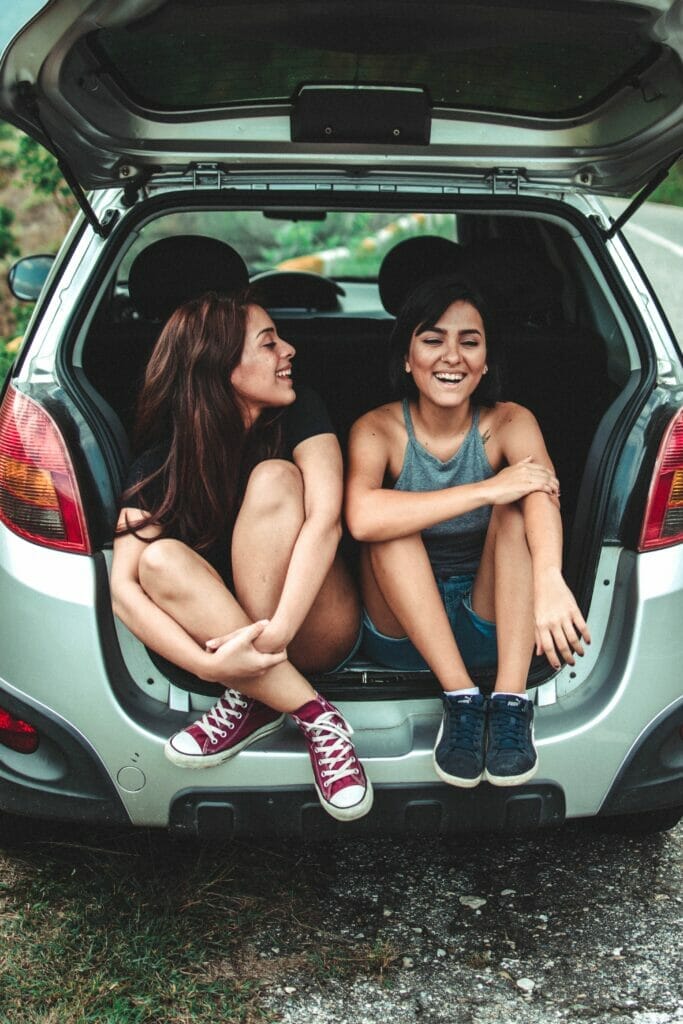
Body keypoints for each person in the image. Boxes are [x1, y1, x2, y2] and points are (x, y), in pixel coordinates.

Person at [110, 290, 373, 822]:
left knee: (275, 477)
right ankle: (312, 714)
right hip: (233, 649)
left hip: (316, 624)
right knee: (155, 561)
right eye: (269, 343)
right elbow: (123, 590)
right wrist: (212, 665)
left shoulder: (302, 415)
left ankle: (254, 696)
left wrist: (272, 637)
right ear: (222, 367)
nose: (289, 351)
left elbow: (327, 521)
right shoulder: (162, 461)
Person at [345, 276, 590, 789]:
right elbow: (362, 518)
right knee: (392, 524)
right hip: (403, 631)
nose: (451, 356)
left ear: (485, 363)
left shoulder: (511, 420)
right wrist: (486, 489)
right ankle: (460, 699)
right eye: (433, 339)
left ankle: (508, 701)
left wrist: (548, 580)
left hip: (494, 628)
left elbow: (543, 491)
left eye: (469, 342)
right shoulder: (377, 428)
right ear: (407, 358)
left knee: (520, 508)